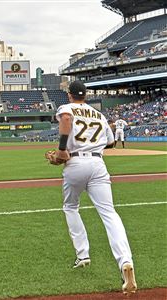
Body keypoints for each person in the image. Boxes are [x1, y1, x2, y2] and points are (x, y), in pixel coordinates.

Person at [55, 81, 137, 295]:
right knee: (109, 213)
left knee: (71, 207)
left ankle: (83, 255)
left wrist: (62, 149)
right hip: (98, 163)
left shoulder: (67, 108)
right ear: (86, 95)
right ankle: (125, 261)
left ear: (69, 94)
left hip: (75, 162)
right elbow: (109, 142)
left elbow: (65, 119)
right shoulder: (98, 114)